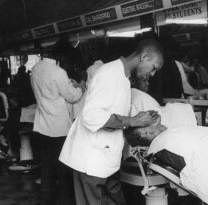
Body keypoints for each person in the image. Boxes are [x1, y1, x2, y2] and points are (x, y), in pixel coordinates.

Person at [59, 39, 164, 205]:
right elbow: (91, 116)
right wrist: (132, 121)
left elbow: (114, 115)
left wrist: (138, 124)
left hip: (109, 159)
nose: (152, 74)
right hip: (91, 161)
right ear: (144, 57)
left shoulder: (124, 78)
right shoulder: (108, 73)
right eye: (154, 68)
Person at [30, 41, 85, 205]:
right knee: (63, 168)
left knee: (46, 167)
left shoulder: (35, 69)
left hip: (42, 125)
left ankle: (47, 200)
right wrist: (81, 86)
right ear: (62, 56)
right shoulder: (58, 72)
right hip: (59, 128)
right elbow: (72, 96)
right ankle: (64, 201)